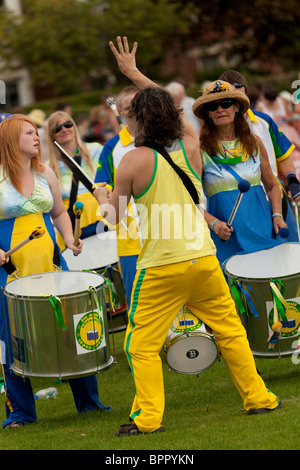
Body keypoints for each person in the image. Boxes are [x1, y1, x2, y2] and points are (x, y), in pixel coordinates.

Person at [93, 36, 281, 436]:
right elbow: (171, 111)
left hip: (161, 266)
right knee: (229, 329)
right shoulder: (191, 145)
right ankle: (259, 399)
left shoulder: (130, 161)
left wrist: (103, 197)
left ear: (137, 121)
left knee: (139, 345)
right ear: (171, 117)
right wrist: (135, 75)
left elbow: (112, 218)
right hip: (203, 258)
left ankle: (148, 420)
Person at [0, 114, 110, 428]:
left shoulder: (45, 171)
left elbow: (59, 212)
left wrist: (71, 237)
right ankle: (20, 412)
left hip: (51, 263)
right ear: (10, 140)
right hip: (10, 270)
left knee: (69, 331)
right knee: (13, 340)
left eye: (36, 133)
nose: (38, 138)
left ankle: (89, 403)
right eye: (29, 133)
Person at [193, 80, 288, 265]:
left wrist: (277, 215)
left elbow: (271, 185)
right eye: (213, 106)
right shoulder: (199, 150)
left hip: (263, 230)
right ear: (207, 114)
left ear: (236, 107)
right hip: (226, 237)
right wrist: (213, 223)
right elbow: (188, 199)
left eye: (226, 103)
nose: (220, 109)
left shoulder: (254, 142)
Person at [218, 70, 300, 235]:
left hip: (276, 197)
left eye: (238, 93)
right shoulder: (215, 129)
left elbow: (283, 156)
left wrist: (292, 180)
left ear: (246, 93)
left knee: (290, 251)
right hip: (240, 204)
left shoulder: (264, 121)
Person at [95, 86, 141, 309]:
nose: (133, 110)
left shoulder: (162, 139)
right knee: (137, 301)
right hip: (131, 238)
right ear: (120, 112)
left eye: (137, 104)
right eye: (127, 107)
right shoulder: (112, 147)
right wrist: (104, 196)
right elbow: (101, 186)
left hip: (165, 233)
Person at [46, 111, 104, 250]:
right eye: (57, 128)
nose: (64, 129)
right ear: (51, 135)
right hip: (72, 222)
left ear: (74, 127)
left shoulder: (96, 149)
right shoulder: (48, 167)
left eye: (67, 124)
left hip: (102, 215)